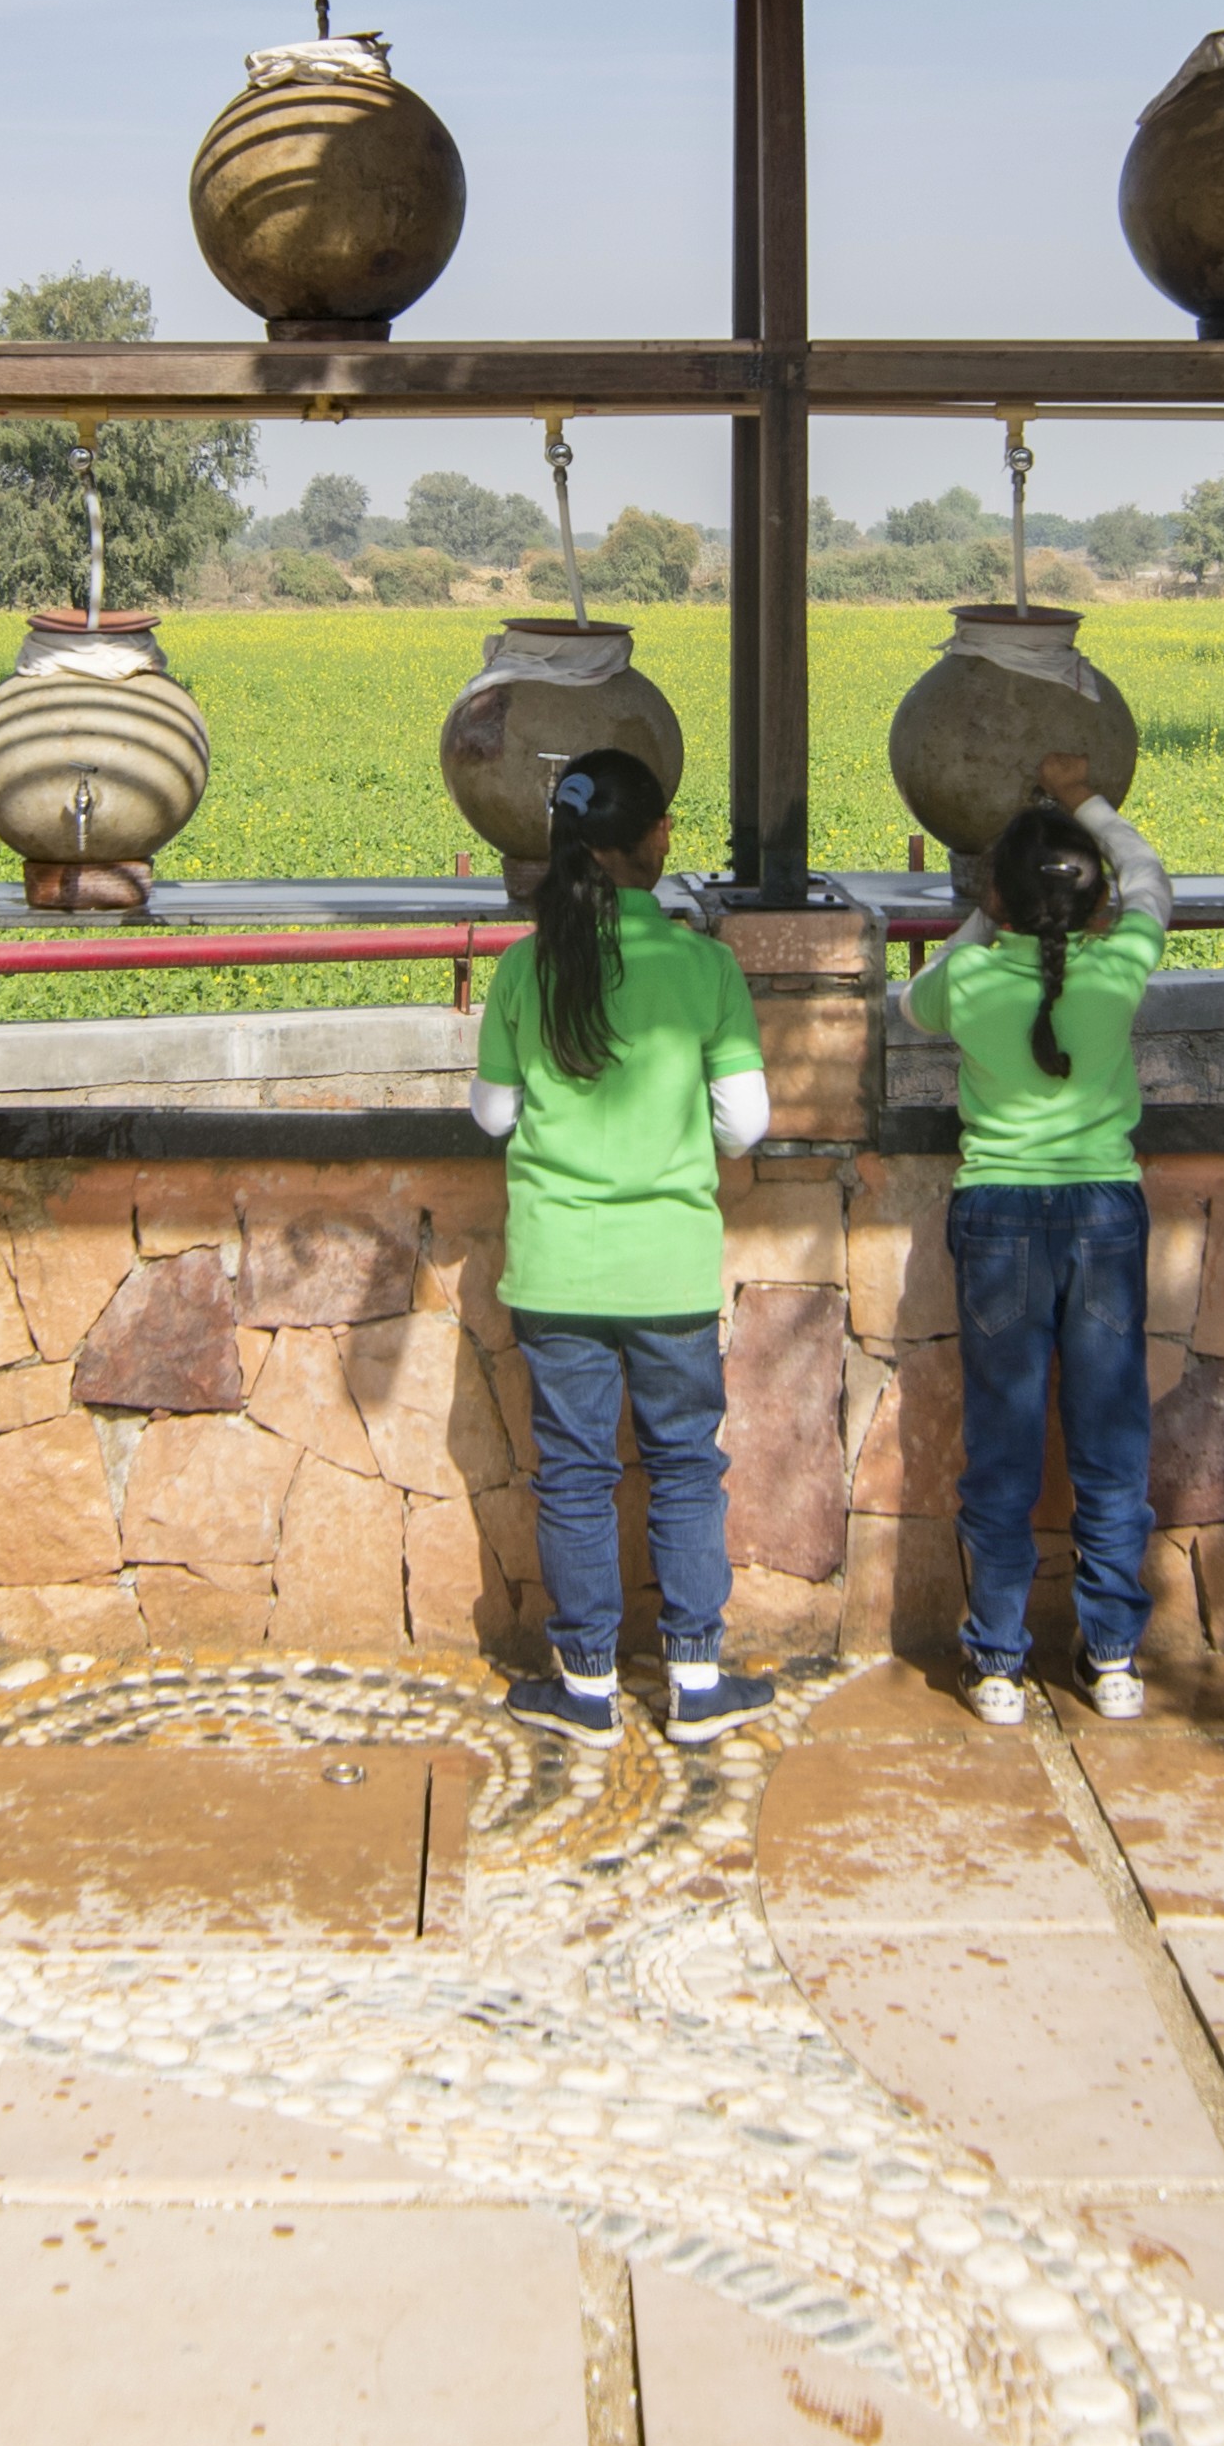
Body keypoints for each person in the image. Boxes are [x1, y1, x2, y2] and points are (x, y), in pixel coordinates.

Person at [471, 748, 779, 1746]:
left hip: (558, 1266)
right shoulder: (704, 966)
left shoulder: (525, 965)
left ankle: (588, 1688)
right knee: (686, 1463)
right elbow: (746, 1123)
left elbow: (492, 1115)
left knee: (572, 1471)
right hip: (671, 1266)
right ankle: (695, 1680)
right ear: (658, 842)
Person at [902, 756, 1174, 1727]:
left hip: (1001, 1216)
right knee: (1112, 1443)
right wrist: (1087, 801)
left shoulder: (967, 978)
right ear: (1097, 903)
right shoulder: (1120, 965)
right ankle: (1112, 1658)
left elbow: (911, 997)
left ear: (993, 898)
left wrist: (987, 916)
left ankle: (999, 1662)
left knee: (1003, 1449)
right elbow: (1153, 883)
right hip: (1103, 1213)